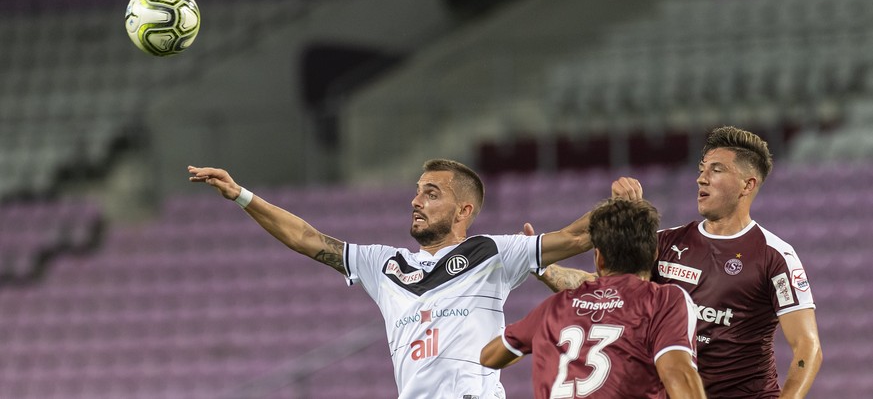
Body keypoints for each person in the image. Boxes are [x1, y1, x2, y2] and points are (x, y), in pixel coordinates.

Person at [188, 158, 597, 399]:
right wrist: (241, 195)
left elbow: (577, 235)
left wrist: (623, 210)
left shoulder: (491, 253)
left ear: (463, 211)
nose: (416, 201)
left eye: (432, 193)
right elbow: (306, 239)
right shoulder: (384, 266)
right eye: (418, 191)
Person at [532, 126, 823, 398]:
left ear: (747, 185)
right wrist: (542, 266)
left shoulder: (774, 256)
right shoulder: (665, 243)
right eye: (701, 169)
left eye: (716, 170)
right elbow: (603, 292)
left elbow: (807, 349)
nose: (701, 178)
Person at [480, 198, 707, 398]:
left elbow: (489, 357)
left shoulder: (555, 307)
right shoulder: (664, 300)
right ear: (655, 254)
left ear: (598, 259)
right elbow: (678, 375)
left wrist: (540, 340)